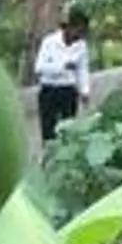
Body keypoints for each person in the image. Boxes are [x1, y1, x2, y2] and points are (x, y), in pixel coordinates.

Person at [33, 8, 91, 144]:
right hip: (50, 89)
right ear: (70, 27)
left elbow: (82, 69)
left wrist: (85, 90)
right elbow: (39, 68)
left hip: (69, 90)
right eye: (78, 31)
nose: (80, 36)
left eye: (83, 32)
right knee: (49, 131)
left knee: (68, 130)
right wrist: (62, 66)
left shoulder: (81, 46)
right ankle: (48, 160)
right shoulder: (50, 42)